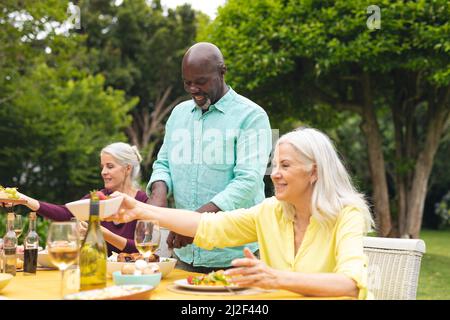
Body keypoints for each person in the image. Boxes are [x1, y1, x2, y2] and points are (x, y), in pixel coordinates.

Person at [108, 127, 374, 299]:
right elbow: (207, 226)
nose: (275, 174)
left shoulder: (346, 214)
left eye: (285, 165)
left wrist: (275, 277)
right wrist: (141, 209)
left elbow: (350, 284)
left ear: (314, 171)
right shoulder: (270, 211)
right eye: (274, 165)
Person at [147, 42, 272, 273]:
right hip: (185, 257)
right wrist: (158, 195)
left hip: (236, 256)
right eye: (187, 82)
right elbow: (163, 163)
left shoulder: (252, 116)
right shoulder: (178, 114)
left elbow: (247, 181)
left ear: (222, 72)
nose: (193, 89)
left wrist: (196, 225)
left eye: (201, 81)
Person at [15, 142, 147, 256]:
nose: (103, 172)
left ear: (127, 168)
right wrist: (24, 199)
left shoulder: (143, 202)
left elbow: (143, 248)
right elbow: (66, 213)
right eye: (102, 167)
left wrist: (103, 233)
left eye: (110, 166)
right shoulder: (98, 197)